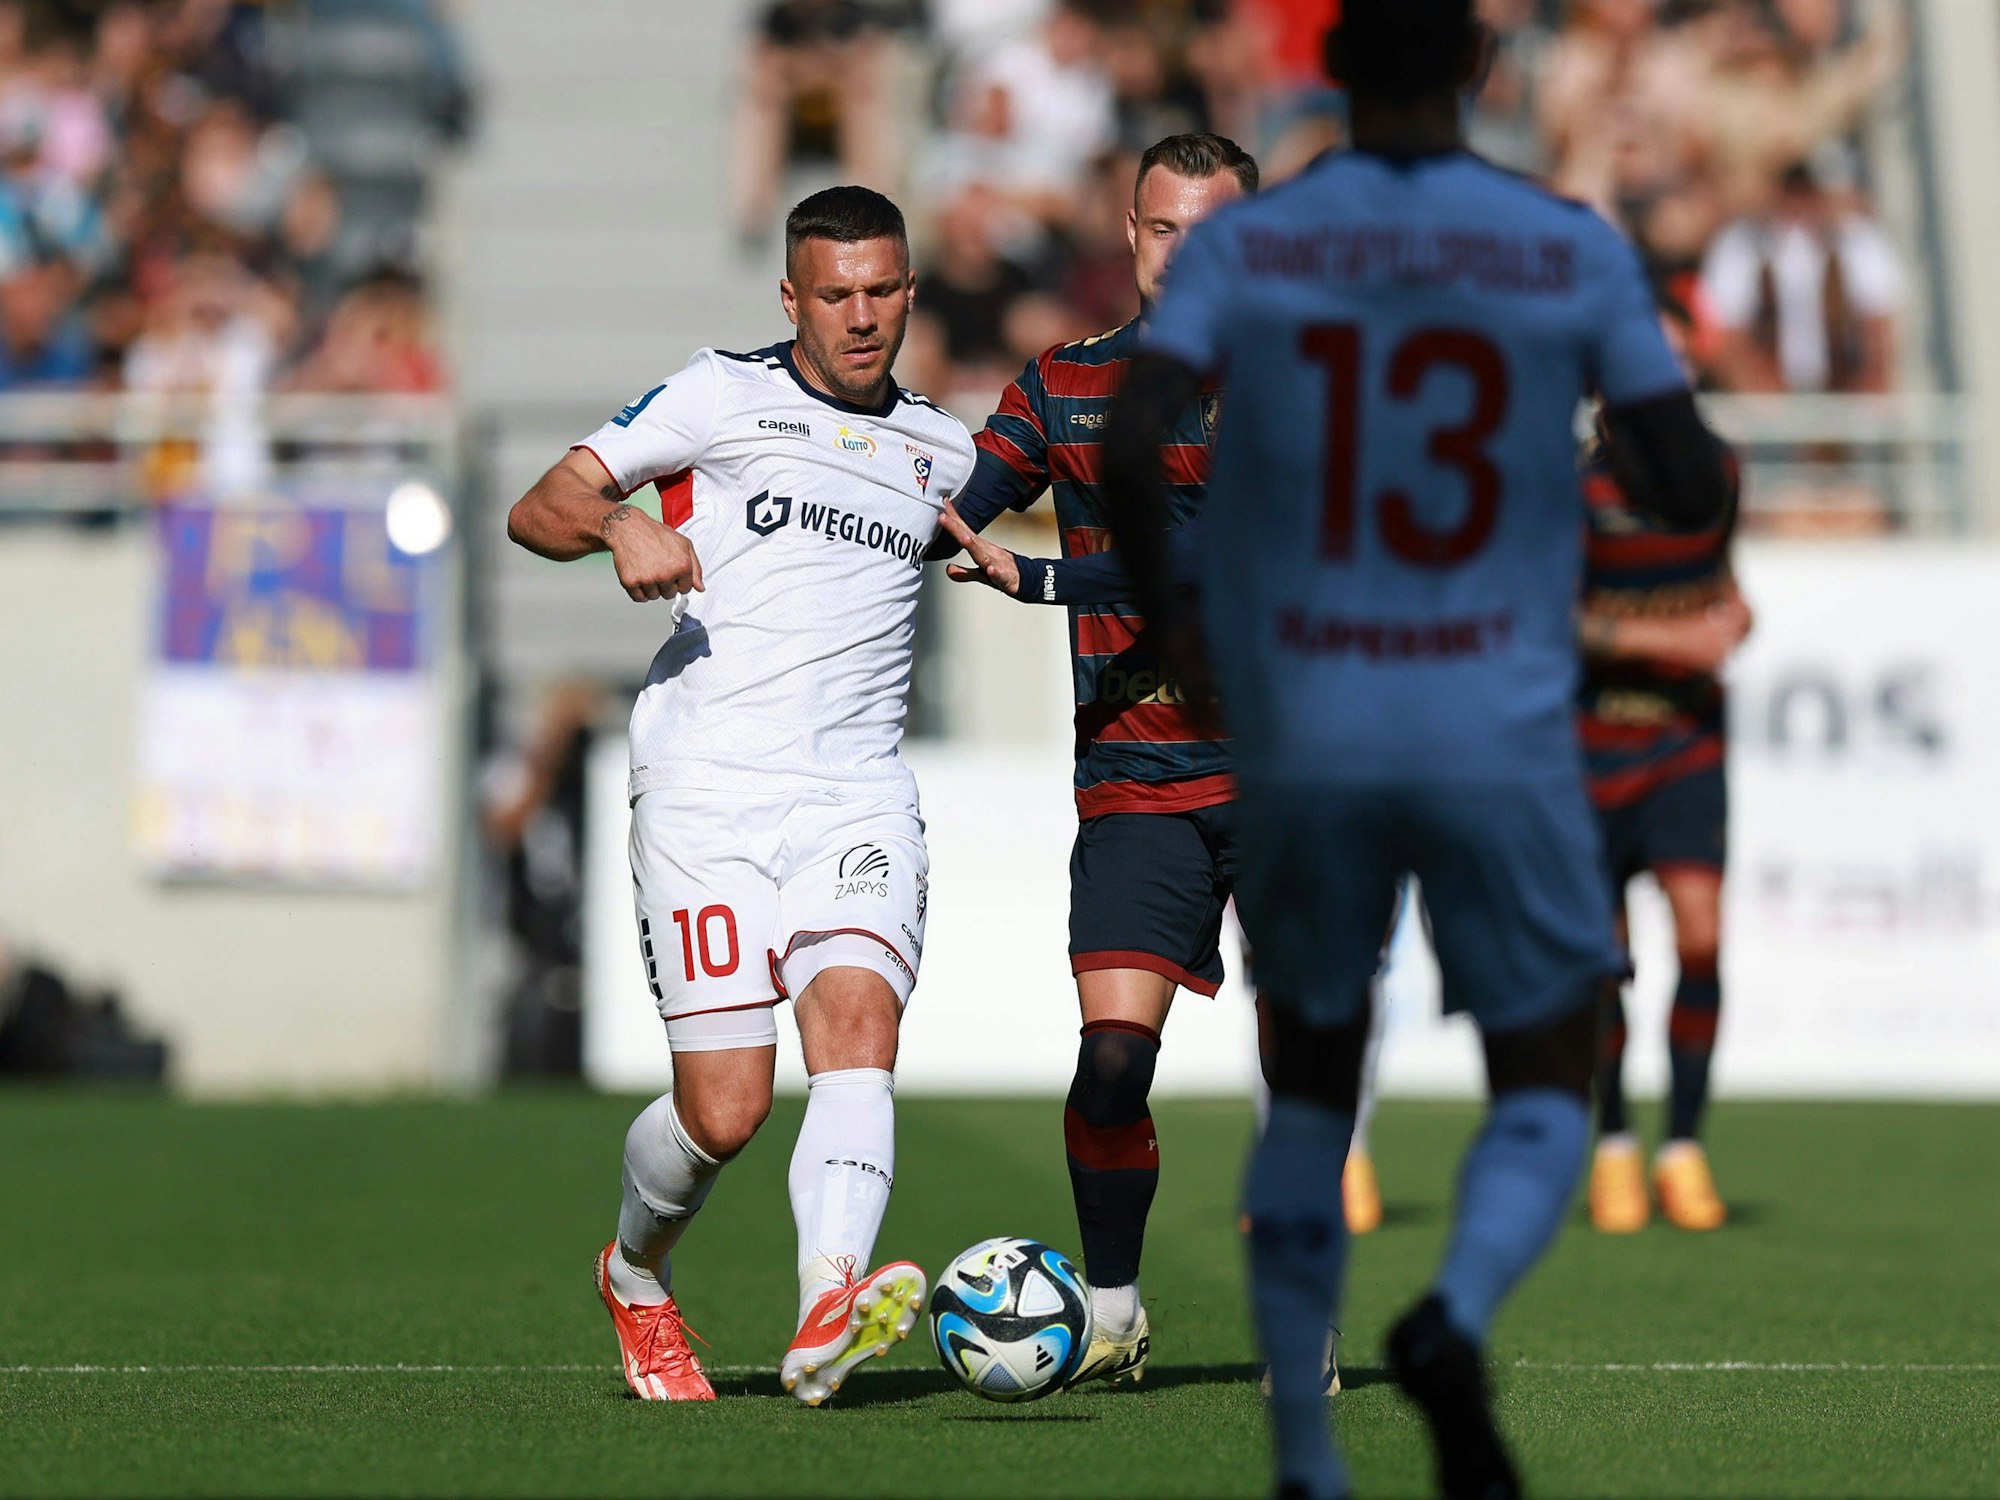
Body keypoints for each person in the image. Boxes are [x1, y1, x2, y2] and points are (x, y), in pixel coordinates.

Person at [1098, 4, 1734, 1496]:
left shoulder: (1256, 246)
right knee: (1543, 1075)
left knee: (1309, 1078)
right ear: (1477, 71)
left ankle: (1308, 1454)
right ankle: (1448, 1317)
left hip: (1315, 719)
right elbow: (1687, 480)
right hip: (1495, 723)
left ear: (1334, 69)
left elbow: (1134, 437)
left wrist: (1188, 624)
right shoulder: (1562, 242)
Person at [505, 186, 977, 1405]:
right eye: (834, 294)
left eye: (882, 290)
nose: (861, 316)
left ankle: (829, 1302)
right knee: (725, 1110)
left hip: (854, 792)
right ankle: (633, 1273)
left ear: (910, 291)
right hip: (705, 787)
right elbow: (537, 506)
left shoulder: (945, 451)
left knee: (858, 1027)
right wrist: (619, 528)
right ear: (790, 299)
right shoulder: (718, 393)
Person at [928, 132, 1279, 1391]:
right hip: (1136, 775)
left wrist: (1039, 574)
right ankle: (1115, 1311)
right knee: (1109, 1065)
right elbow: (960, 494)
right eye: (1164, 229)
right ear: (1130, 237)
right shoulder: (1064, 382)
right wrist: (850, 469)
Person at [1577, 366, 1751, 1235]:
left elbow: (1725, 588)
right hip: (1587, 753)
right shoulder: (1575, 489)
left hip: (1686, 742)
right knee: (1604, 965)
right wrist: (1671, 637)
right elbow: (1545, 617)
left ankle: (1682, 1149)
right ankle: (1613, 1145)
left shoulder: (1718, 471)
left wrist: (1730, 617)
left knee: (1702, 936)